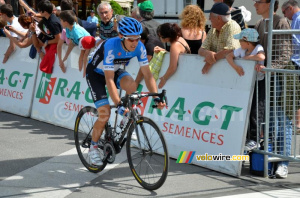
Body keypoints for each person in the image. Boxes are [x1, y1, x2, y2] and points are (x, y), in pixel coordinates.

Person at [85, 17, 165, 165]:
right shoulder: (111, 45)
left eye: (137, 39)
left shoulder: (140, 47)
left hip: (113, 71)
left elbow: (148, 75)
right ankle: (93, 148)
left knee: (132, 87)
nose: (135, 43)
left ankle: (126, 119)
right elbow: (109, 80)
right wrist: (117, 103)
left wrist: (156, 97)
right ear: (121, 36)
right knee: (105, 113)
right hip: (96, 74)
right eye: (131, 40)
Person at [254, 0, 292, 179]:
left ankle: (283, 163)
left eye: (258, 1)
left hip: (279, 77)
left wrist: (268, 68)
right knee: (269, 121)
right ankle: (270, 160)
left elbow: (285, 54)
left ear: (269, 4)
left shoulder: (281, 22)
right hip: (266, 77)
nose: (254, 4)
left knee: (281, 120)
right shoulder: (260, 23)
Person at [140, 23, 190, 89]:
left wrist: (164, 78)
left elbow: (173, 67)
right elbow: (177, 54)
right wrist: (164, 51)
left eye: (160, 36)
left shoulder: (174, 46)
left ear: (166, 38)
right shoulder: (180, 39)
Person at [198, 3, 241, 74]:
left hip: (231, 74)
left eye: (210, 16)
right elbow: (201, 50)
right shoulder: (213, 29)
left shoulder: (233, 27)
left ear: (218, 18)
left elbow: (231, 50)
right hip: (219, 73)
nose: (209, 18)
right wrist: (207, 53)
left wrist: (209, 62)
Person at [281, 0, 300, 134]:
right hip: (296, 60)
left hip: (297, 60)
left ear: (290, 8)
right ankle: (297, 123)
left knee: (295, 93)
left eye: (284, 12)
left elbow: (296, 41)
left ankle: (297, 124)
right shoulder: (296, 19)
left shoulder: (297, 19)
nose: (284, 15)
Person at [30, 0, 62, 73]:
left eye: (39, 11)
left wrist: (47, 42)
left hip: (55, 43)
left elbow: (59, 39)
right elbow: (40, 15)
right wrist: (34, 15)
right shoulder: (47, 16)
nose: (39, 12)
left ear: (45, 12)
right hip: (49, 39)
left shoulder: (53, 23)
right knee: (36, 43)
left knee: (44, 66)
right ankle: (40, 53)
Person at [58, 10, 91, 76]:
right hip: (82, 43)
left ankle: (85, 72)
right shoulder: (67, 29)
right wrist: (65, 57)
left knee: (84, 58)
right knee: (82, 58)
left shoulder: (76, 31)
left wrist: (80, 58)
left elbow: (84, 45)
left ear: (66, 22)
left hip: (88, 42)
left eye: (61, 20)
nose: (60, 22)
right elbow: (71, 44)